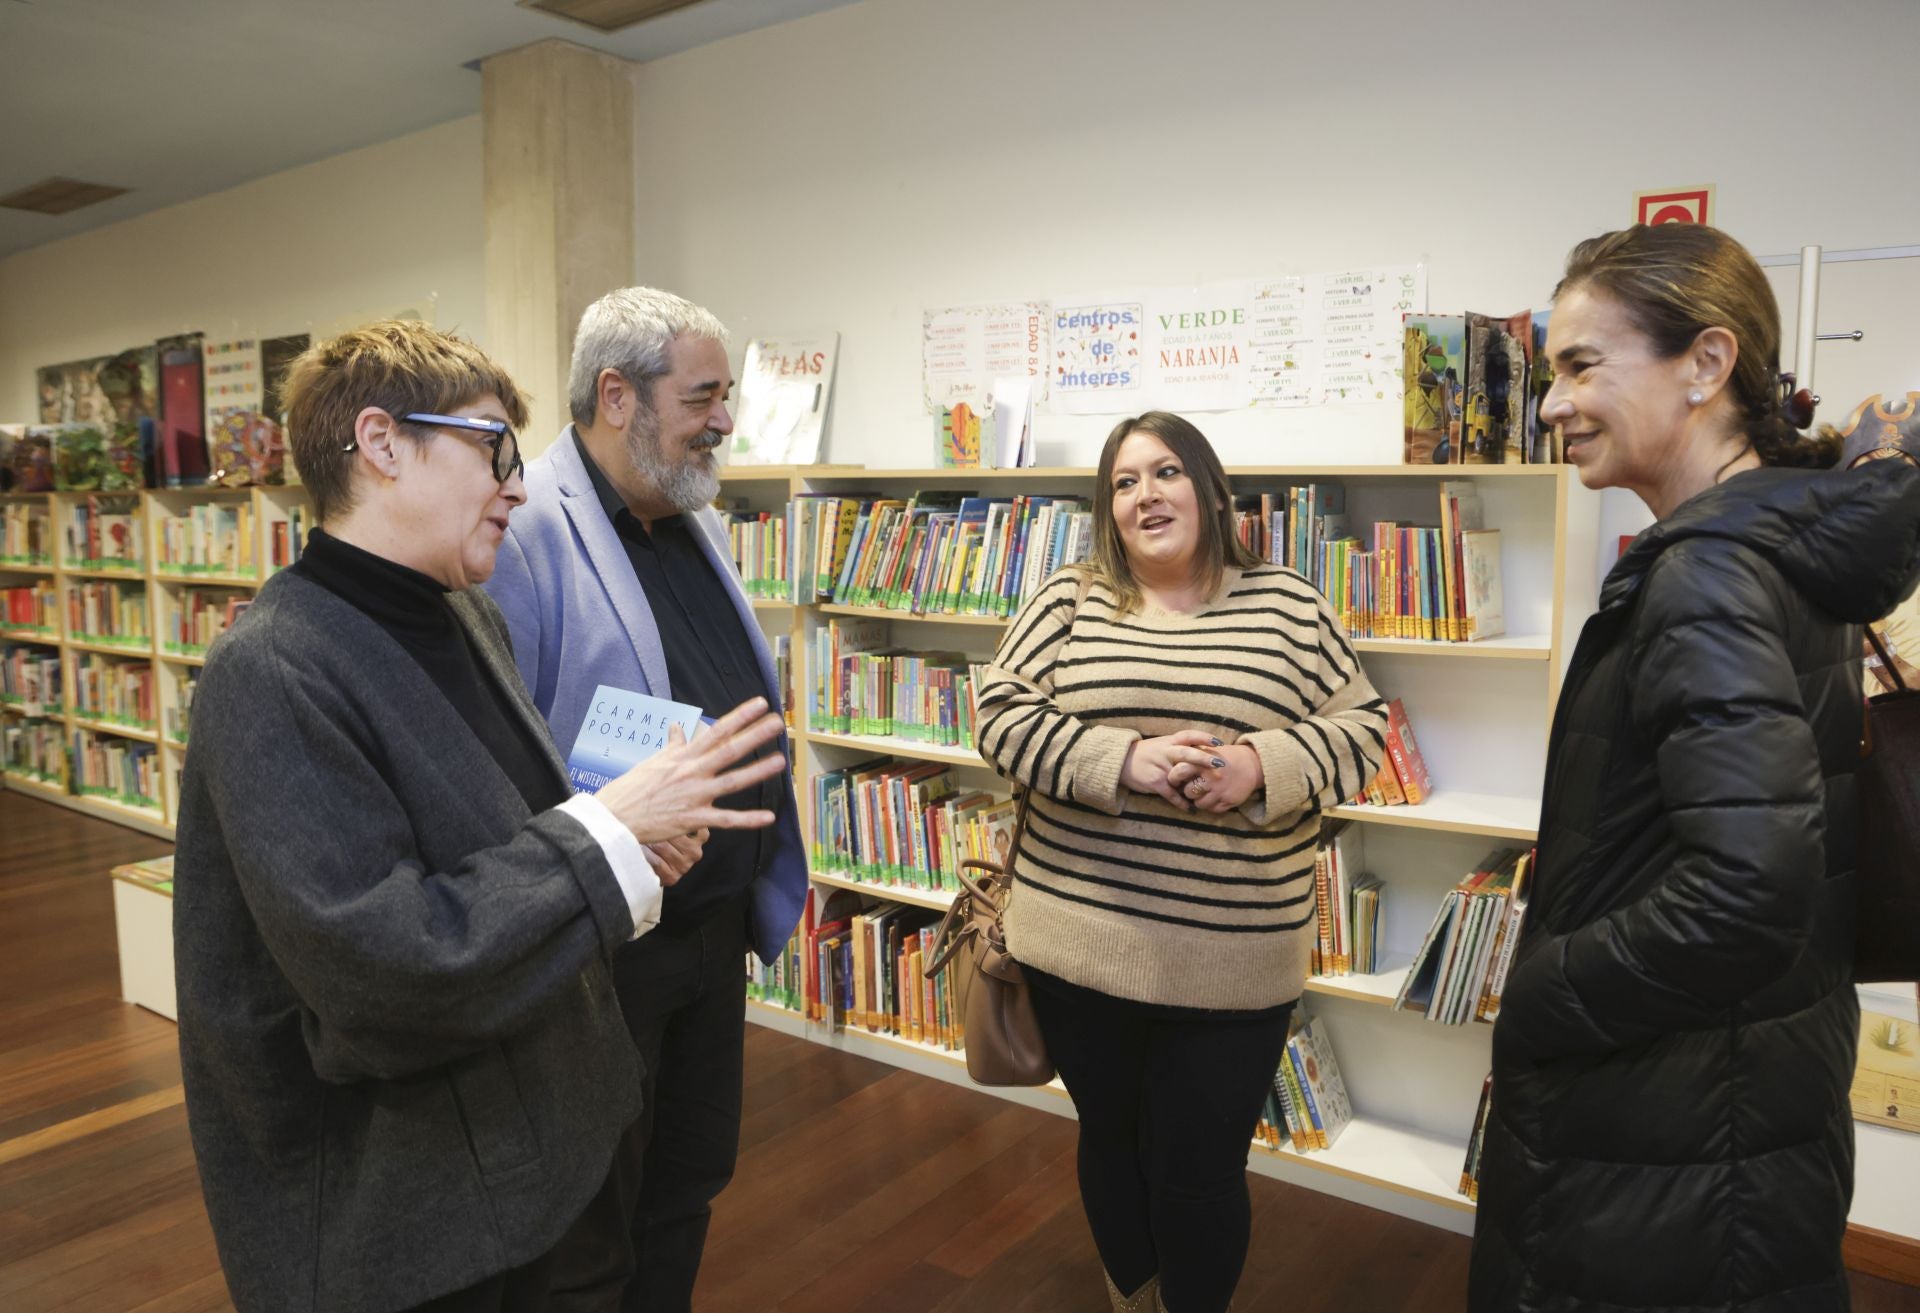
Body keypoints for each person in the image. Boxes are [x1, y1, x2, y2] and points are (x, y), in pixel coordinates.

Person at [172, 320, 789, 1313]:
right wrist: (605, 834)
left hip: (533, 1150)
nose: (517, 481)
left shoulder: (465, 613)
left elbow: (498, 842)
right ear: (380, 443)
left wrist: (638, 838)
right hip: (414, 1217)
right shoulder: (273, 670)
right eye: (492, 447)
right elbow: (380, 969)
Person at [1470, 225, 1920, 1312]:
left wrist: (1540, 993)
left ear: (1707, 365)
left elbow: (1746, 888)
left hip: (1665, 1118)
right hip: (1738, 1092)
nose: (1549, 403)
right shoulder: (1778, 543)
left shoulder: (1709, 574)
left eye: (1582, 365)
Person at [974, 411, 1389, 1313]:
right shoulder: (1069, 597)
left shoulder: (1287, 604)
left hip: (1232, 962)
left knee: (1200, 1170)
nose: (1145, 495)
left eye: (1165, 472)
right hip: (1080, 945)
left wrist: (1259, 766)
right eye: (1123, 482)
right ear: (1106, 509)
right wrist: (1118, 759)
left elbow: (1364, 733)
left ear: (1210, 489)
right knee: (1111, 1143)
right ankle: (1135, 1300)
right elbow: (999, 716)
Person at [484, 287, 808, 1312]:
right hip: (608, 955)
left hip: (708, 936)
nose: (724, 419)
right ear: (616, 395)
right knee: (591, 1221)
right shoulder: (527, 527)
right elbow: (501, 756)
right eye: (705, 394)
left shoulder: (689, 512)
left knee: (686, 1185)